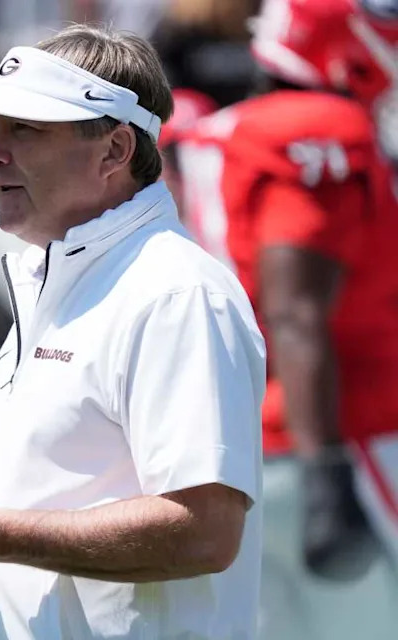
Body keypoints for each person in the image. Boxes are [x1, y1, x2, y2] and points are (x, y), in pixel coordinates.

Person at [0, 23, 266, 640]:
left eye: (26, 130)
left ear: (116, 150)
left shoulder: (176, 293)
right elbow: (54, 499)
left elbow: (204, 530)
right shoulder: (62, 275)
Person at [178, 0, 398, 637]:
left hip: (238, 450)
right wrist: (327, 469)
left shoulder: (215, 132)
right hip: (337, 443)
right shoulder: (321, 126)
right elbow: (296, 311)